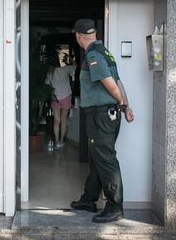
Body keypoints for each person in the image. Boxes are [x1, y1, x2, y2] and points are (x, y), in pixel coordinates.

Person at [70, 19, 134, 223]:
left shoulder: (93, 54)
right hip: (109, 113)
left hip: (101, 114)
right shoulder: (106, 52)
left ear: (78, 36)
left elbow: (108, 82)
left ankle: (115, 206)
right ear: (94, 34)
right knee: (98, 155)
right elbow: (118, 81)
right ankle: (89, 199)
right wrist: (125, 106)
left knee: (105, 158)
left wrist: (121, 101)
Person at [45, 50, 77, 148]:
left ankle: (56, 140)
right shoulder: (65, 69)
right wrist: (70, 58)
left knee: (56, 121)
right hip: (66, 97)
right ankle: (61, 141)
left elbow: (47, 86)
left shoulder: (49, 72)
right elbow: (75, 65)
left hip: (55, 98)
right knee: (63, 120)